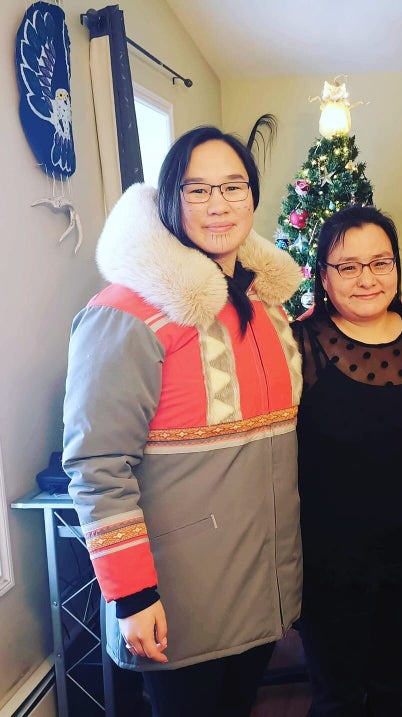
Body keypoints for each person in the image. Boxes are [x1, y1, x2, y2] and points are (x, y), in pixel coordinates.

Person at [62, 125, 304, 717]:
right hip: (180, 604)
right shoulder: (123, 314)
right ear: (170, 199)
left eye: (233, 186)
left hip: (261, 590)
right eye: (197, 190)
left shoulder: (268, 306)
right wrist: (132, 594)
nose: (218, 204)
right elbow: (96, 468)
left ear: (252, 195)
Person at [292, 205, 402, 717]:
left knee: (395, 686)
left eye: (380, 263)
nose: (366, 279)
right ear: (324, 277)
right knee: (337, 694)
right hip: (332, 558)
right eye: (348, 266)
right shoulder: (300, 344)